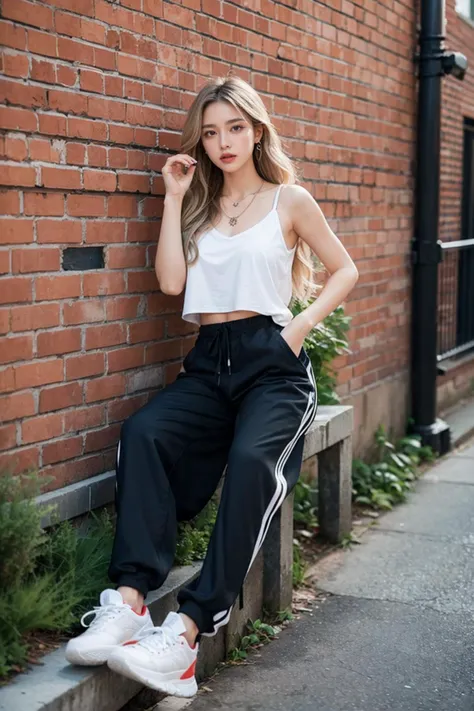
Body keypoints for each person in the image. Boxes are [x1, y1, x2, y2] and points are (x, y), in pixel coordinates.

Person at [64, 75, 358, 698]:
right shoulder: (197, 204)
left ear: (256, 130)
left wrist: (299, 328)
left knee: (255, 463)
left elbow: (345, 269)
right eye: (211, 131)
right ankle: (129, 601)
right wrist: (173, 197)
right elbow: (172, 285)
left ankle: (189, 633)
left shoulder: (289, 200)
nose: (223, 142)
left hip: (273, 365)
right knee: (143, 432)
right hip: (210, 362)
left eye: (235, 128)